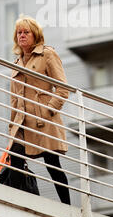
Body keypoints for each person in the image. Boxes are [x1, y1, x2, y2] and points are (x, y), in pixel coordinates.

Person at [7, 14, 70, 205]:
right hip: (23, 122)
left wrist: (49, 109)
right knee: (15, 158)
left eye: (26, 32)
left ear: (35, 35)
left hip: (44, 121)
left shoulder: (47, 54)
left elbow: (62, 88)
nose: (22, 36)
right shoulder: (16, 63)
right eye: (19, 32)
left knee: (52, 163)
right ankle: (20, 204)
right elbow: (14, 100)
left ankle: (67, 207)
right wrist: (12, 127)